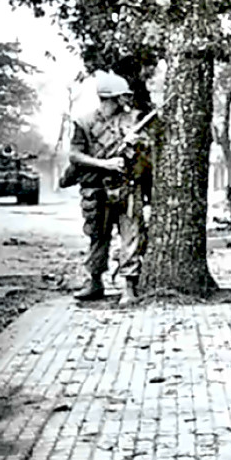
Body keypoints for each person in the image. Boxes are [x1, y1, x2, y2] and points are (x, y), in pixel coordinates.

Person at [71, 70, 152, 307]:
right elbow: (74, 155)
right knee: (97, 237)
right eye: (120, 97)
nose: (125, 101)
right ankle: (93, 281)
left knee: (132, 237)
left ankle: (129, 286)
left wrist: (139, 143)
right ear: (109, 98)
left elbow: (148, 152)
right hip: (96, 187)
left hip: (127, 187)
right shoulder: (83, 122)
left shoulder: (134, 119)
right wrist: (104, 163)